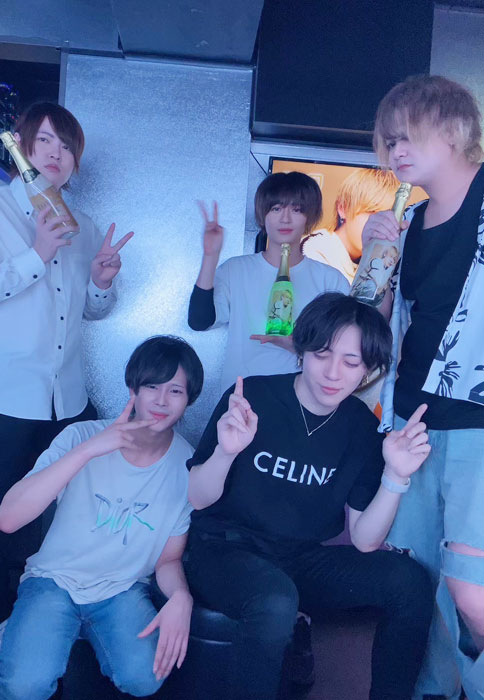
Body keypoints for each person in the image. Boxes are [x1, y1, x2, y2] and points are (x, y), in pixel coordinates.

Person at [185, 291, 433, 700]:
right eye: (322, 354)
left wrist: (395, 475)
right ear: (301, 351)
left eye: (351, 362)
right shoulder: (253, 398)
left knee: (408, 582)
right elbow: (197, 498)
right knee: (275, 599)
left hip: (298, 558)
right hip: (222, 549)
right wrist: (226, 452)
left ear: (367, 370)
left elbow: (365, 540)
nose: (333, 373)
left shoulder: (360, 428)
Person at [0, 102, 134, 633]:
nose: (56, 153)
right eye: (45, 140)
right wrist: (38, 254)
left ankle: (55, 611)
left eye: (67, 146)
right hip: (3, 398)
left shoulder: (83, 225)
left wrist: (102, 281)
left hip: (66, 400)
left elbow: (89, 311)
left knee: (69, 512)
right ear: (23, 146)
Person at [0, 335, 203, 700]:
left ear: (189, 400)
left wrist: (181, 598)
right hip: (53, 580)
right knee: (23, 687)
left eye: (175, 391)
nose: (161, 401)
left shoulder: (188, 467)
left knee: (145, 678)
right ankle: (23, 633)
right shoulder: (82, 435)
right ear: (133, 388)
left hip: (122, 589)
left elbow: (168, 558)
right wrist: (89, 450)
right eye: (152, 386)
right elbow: (7, 519)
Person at [368, 74, 484, 699]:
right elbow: (377, 326)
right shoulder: (406, 221)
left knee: (471, 590)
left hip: (478, 421)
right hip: (410, 417)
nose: (397, 150)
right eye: (390, 140)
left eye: (408, 134)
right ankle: (434, 690)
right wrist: (376, 262)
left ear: (457, 128)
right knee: (419, 577)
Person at [187, 172, 349, 393]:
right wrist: (210, 255)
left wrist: (300, 347)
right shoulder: (236, 270)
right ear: (262, 215)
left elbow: (346, 349)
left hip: (303, 399)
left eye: (296, 209)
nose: (285, 219)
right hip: (241, 396)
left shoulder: (331, 280)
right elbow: (199, 321)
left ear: (310, 217)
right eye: (276, 209)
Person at [303, 168, 399, 283]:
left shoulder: (377, 259)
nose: (379, 224)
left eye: (386, 217)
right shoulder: (315, 251)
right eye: (371, 212)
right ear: (343, 208)